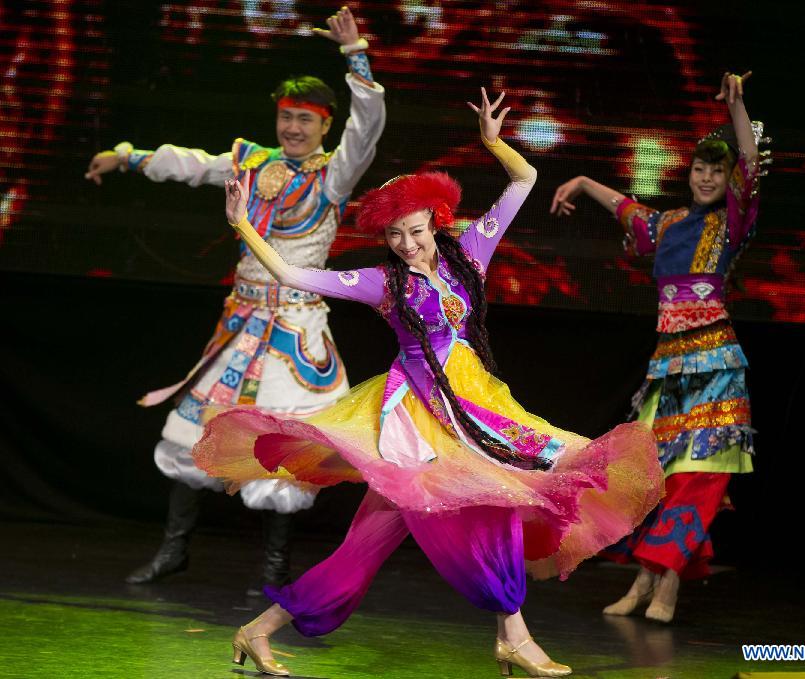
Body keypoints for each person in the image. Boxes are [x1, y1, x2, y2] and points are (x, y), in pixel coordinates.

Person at [194, 88, 663, 677]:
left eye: (416, 232)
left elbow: (524, 182)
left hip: (473, 406)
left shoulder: (470, 252)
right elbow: (292, 271)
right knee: (446, 521)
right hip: (416, 427)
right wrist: (243, 226)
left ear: (436, 224)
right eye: (395, 235)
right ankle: (511, 639)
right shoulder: (383, 283)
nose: (407, 245)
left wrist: (494, 145)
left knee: (407, 536)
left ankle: (259, 631)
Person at [84, 7, 386, 589]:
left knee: (282, 456)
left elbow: (367, 127)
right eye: (286, 118)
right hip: (240, 329)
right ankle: (174, 551)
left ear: (324, 127)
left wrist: (356, 55)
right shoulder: (253, 161)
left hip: (294, 335)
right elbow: (193, 165)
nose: (293, 129)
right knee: (192, 437)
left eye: (305, 120)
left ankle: (274, 570)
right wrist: (128, 156)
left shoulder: (333, 177)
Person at [550, 71, 763, 623]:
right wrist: (580, 180)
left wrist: (737, 108)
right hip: (667, 370)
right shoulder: (668, 225)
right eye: (700, 168)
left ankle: (662, 586)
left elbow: (750, 165)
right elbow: (627, 210)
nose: (709, 178)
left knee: (703, 472)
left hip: (715, 364)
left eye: (718, 170)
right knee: (654, 476)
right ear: (688, 174)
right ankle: (650, 580)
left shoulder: (730, 224)